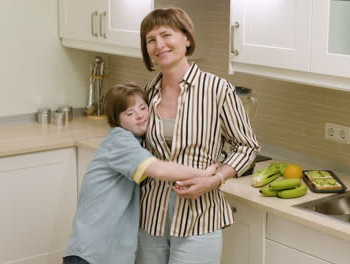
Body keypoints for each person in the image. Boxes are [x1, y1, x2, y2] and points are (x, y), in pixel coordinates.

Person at [137, 7, 260, 264]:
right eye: (151, 39)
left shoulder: (217, 89)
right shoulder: (148, 91)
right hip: (150, 216)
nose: (159, 45)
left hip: (199, 216)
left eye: (166, 35)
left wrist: (215, 179)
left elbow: (246, 146)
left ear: (187, 38)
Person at [63, 83, 218, 264]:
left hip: (101, 253)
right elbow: (160, 169)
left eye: (143, 108)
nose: (139, 115)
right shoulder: (120, 140)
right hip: (90, 255)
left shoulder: (135, 143)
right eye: (129, 113)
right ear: (116, 120)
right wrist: (205, 174)